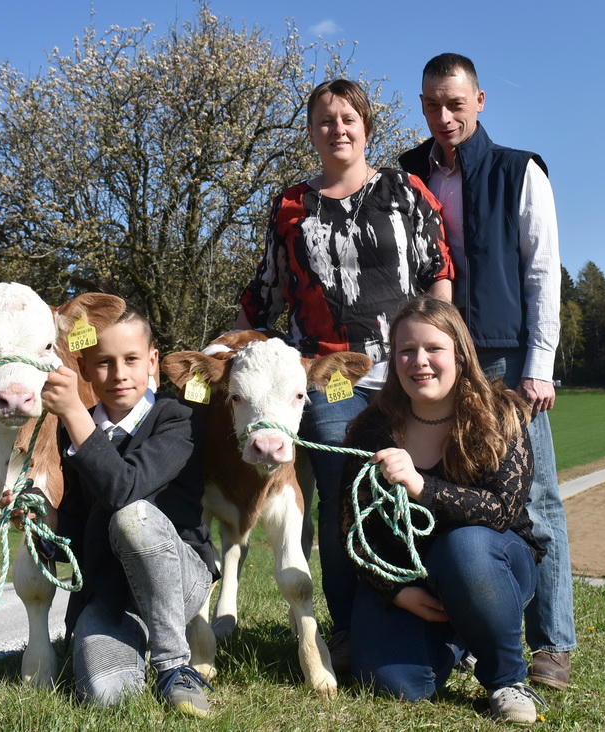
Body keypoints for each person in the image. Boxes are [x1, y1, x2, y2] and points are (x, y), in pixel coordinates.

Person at [235, 78, 453, 670]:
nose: (338, 129)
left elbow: (439, 270)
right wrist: (231, 344)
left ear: (366, 127)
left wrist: (442, 344)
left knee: (420, 484)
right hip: (328, 374)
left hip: (408, 371)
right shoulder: (290, 205)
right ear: (310, 131)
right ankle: (352, 625)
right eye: (325, 120)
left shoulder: (406, 191)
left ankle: (442, 618)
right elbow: (269, 288)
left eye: (348, 118)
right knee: (340, 493)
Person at [398, 53, 576, 690]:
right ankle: (471, 634)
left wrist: (539, 365)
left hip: (502, 357)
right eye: (430, 104)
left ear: (480, 101)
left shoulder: (518, 170)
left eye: (454, 103)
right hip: (433, 358)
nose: (442, 117)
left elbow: (541, 272)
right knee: (449, 494)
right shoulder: (406, 173)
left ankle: (552, 644)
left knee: (537, 498)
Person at [4, 303, 219, 717]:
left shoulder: (179, 421)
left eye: (131, 359)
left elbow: (124, 490)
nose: (118, 373)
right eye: (103, 362)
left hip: (180, 583)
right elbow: (77, 529)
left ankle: (174, 667)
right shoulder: (75, 430)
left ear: (152, 361)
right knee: (108, 697)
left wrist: (71, 414)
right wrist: (41, 523)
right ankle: (133, 642)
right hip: (110, 597)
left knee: (132, 519)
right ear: (84, 369)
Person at [340, 295, 547, 725]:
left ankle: (507, 679)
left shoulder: (502, 413)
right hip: (409, 579)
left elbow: (502, 511)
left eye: (434, 349)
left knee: (465, 547)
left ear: (459, 353)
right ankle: (461, 638)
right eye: (406, 351)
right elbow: (352, 527)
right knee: (396, 686)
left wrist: (420, 485)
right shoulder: (372, 428)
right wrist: (395, 592)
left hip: (491, 564)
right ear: (393, 361)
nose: (420, 361)